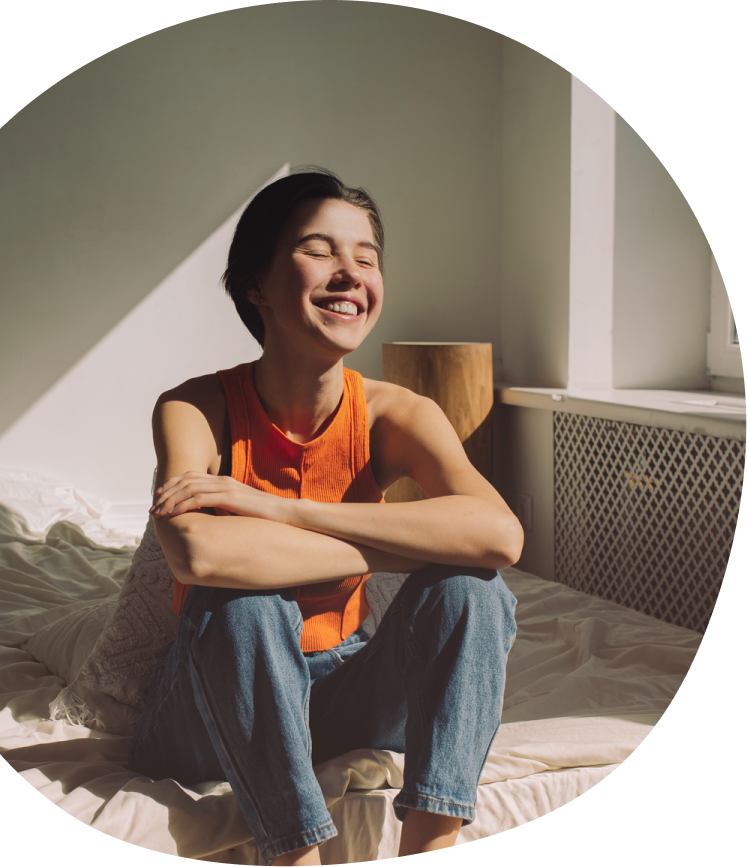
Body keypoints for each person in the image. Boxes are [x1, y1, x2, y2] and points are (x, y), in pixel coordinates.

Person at [130, 169, 523, 865]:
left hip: (343, 680)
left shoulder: (394, 412)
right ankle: (295, 855)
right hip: (209, 698)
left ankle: (428, 842)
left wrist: (277, 508)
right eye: (320, 250)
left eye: (366, 258)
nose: (350, 273)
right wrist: (404, 544)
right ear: (256, 282)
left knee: (472, 589)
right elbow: (199, 555)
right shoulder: (194, 405)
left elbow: (498, 536)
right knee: (243, 605)